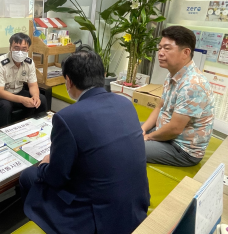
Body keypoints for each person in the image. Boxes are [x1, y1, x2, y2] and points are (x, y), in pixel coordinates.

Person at [20, 51, 150, 234]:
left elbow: (57, 178)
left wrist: (43, 165)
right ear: (103, 76)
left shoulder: (67, 118)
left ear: (69, 81)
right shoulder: (125, 103)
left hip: (97, 220)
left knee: (29, 175)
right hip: (137, 206)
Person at [141, 26, 215, 167]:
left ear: (186, 52)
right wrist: (142, 130)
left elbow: (175, 129)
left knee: (127, 147)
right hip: (164, 133)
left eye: (167, 48)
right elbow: (160, 106)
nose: (160, 53)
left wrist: (147, 137)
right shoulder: (172, 75)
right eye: (160, 48)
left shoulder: (193, 85)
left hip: (181, 149)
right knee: (126, 128)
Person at [0, 33, 47, 127]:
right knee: (6, 106)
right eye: (16, 48)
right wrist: (23, 100)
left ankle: (35, 129)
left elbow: (33, 85)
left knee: (41, 99)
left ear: (28, 49)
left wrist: (35, 96)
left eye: (23, 49)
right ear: (10, 47)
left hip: (18, 92)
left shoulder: (29, 63)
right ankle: (2, 135)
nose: (20, 52)